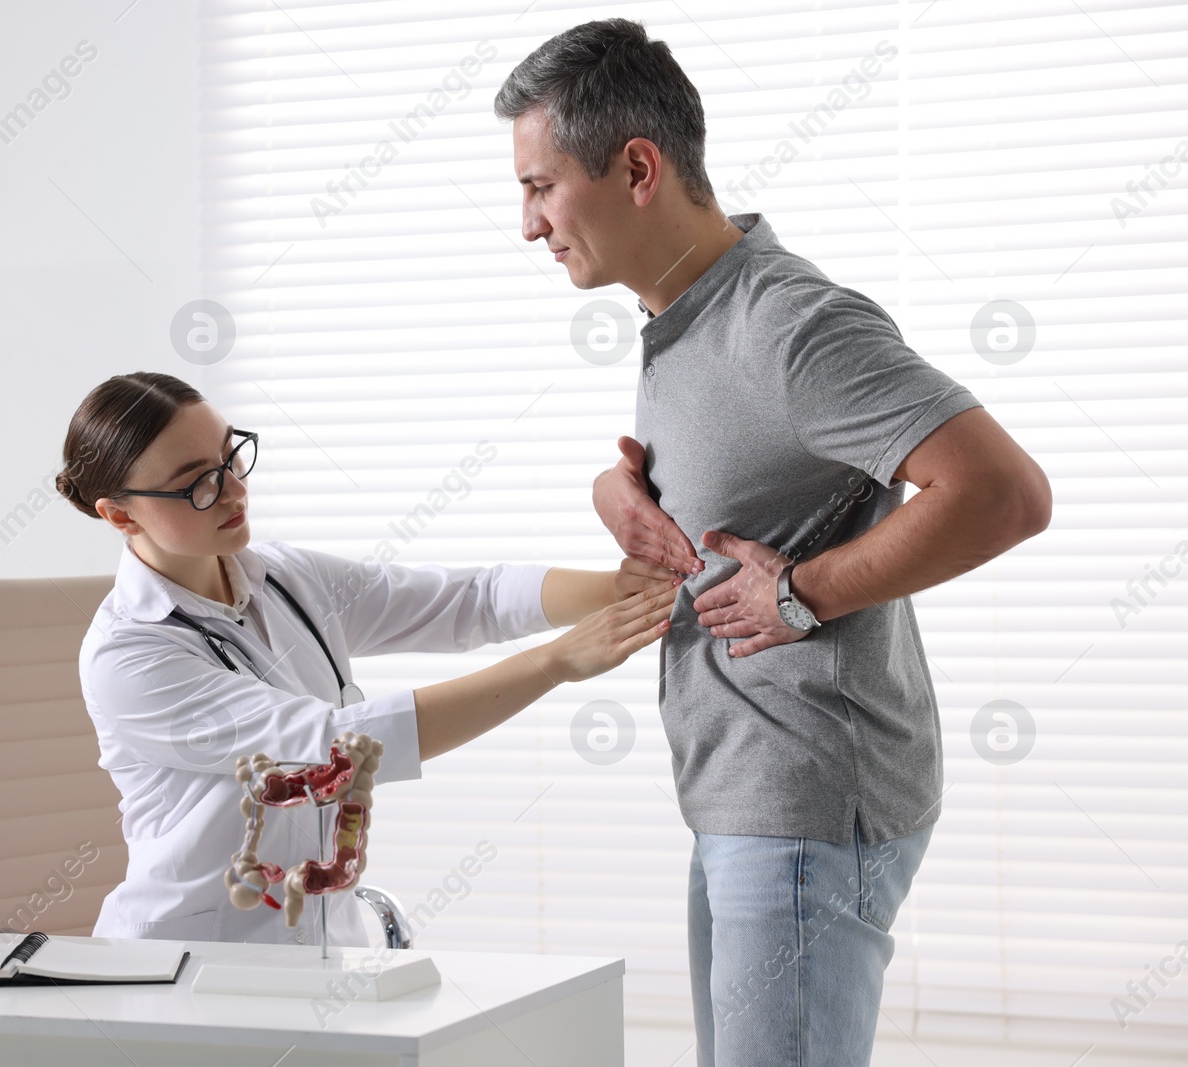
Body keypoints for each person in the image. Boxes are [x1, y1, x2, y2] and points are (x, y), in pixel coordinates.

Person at [493, 20, 1052, 1067]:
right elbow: (750, 483)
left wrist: (802, 590)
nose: (528, 224)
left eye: (540, 186)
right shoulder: (686, 315)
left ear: (637, 168)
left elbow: (1001, 492)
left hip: (801, 801)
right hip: (747, 791)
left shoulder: (787, 323)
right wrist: (615, 489)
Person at [54, 370, 678, 946]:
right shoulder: (129, 656)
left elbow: (469, 599)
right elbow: (338, 747)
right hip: (188, 964)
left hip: (322, 946)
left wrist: (616, 590)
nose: (233, 490)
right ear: (118, 514)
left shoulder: (285, 580)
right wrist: (555, 663)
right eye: (196, 483)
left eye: (230, 457)